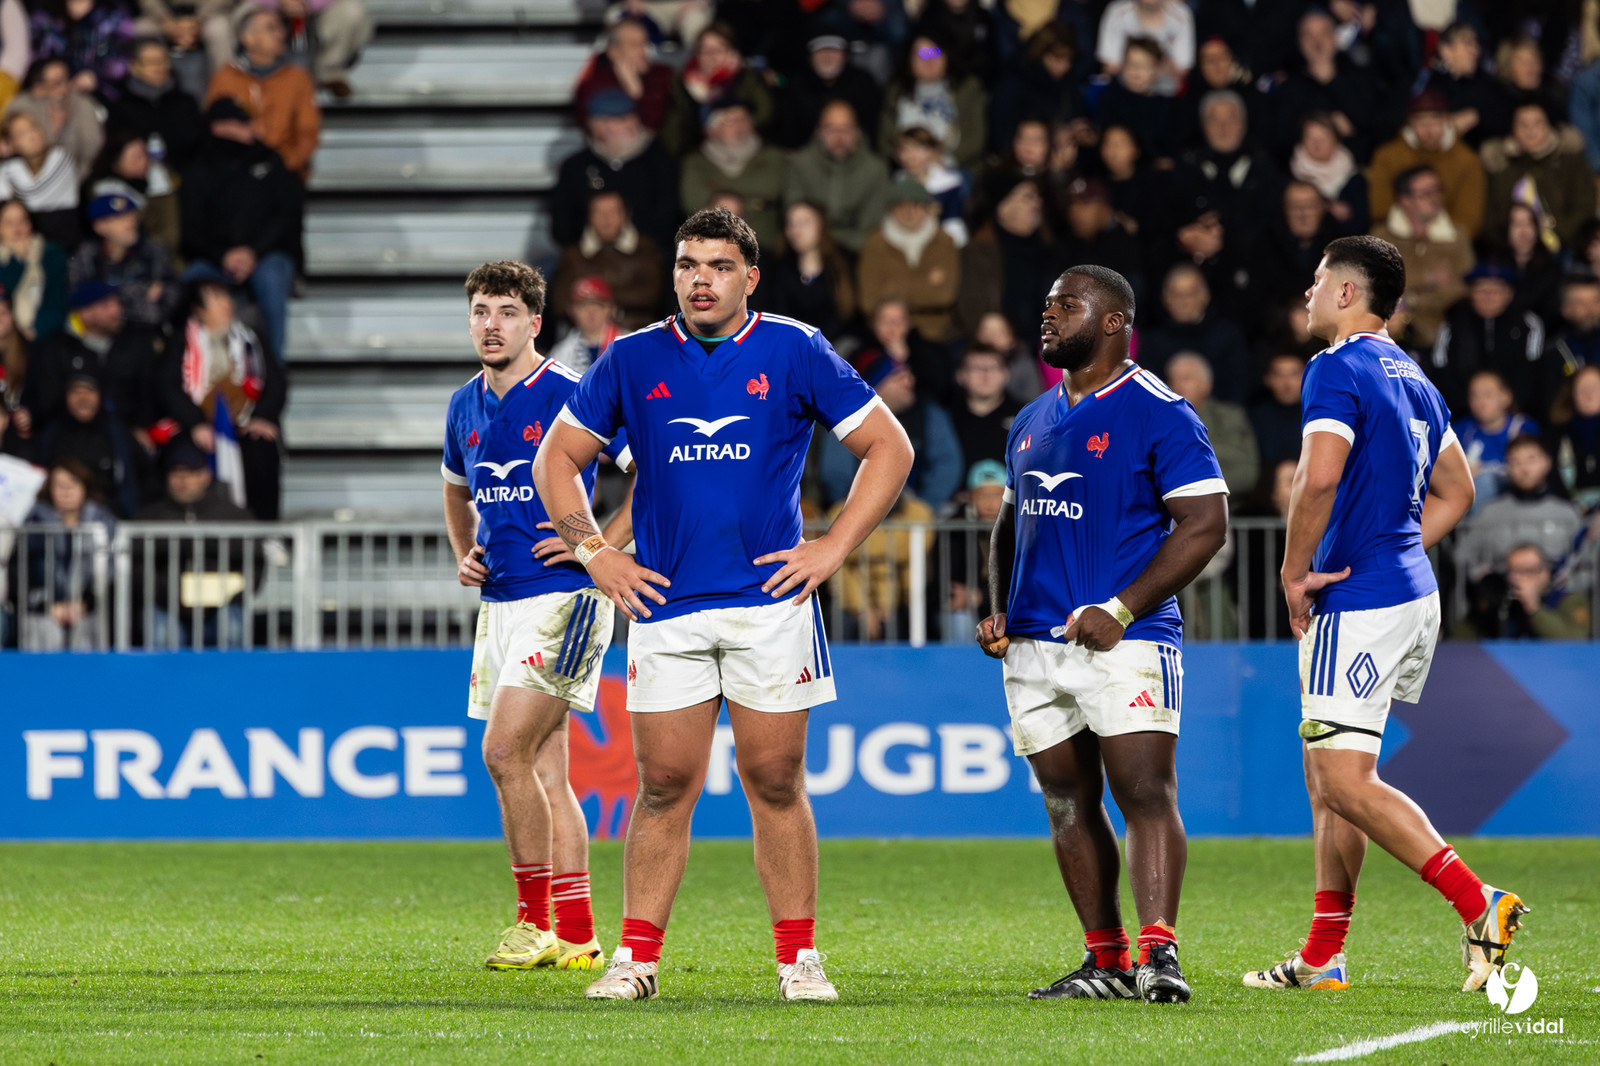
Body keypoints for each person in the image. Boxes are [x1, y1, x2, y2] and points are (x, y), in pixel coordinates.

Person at [533, 207, 913, 1002]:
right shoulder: (632, 357)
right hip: (665, 606)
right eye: (687, 265)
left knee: (774, 780)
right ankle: (637, 963)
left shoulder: (796, 347)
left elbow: (890, 447)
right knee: (663, 785)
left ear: (751, 277)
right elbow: (556, 460)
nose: (700, 279)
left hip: (769, 604)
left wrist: (834, 547)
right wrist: (597, 553)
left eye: (718, 265)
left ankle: (798, 961)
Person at [1242, 234, 1525, 996]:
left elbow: (1318, 477)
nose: (1307, 294)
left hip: (1359, 601)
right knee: (1329, 773)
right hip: (1407, 591)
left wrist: (1294, 572)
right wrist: (1395, 547)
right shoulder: (1416, 378)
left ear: (1346, 292)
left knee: (1342, 779)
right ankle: (1323, 955)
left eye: (1316, 280)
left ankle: (1480, 902)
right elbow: (1458, 491)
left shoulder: (1335, 367)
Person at [978, 264, 1227, 1003]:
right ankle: (1107, 960)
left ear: (1114, 322)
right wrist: (998, 608)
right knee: (1064, 800)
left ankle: (1159, 952)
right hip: (1034, 644)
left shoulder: (1162, 411)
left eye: (1067, 304)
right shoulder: (1031, 418)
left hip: (1129, 638)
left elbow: (1205, 524)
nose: (1048, 315)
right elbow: (1006, 527)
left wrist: (1120, 608)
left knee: (1143, 790)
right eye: (1047, 303)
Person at [442, 260, 633, 976]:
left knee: (503, 753)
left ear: (534, 323)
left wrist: (601, 546)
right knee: (547, 772)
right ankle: (577, 935)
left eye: (506, 312)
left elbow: (650, 472)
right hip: (501, 602)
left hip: (566, 597)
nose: (490, 325)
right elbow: (455, 488)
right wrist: (464, 552)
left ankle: (532, 922)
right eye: (480, 311)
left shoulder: (569, 393)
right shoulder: (463, 404)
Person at [153, 273, 284, 519]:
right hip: (194, 424)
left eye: (227, 297)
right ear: (198, 309)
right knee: (184, 455)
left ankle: (263, 528)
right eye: (216, 298)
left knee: (261, 448)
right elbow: (168, 386)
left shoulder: (250, 339)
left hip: (244, 423)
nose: (227, 304)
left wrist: (261, 416)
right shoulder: (180, 342)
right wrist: (195, 423)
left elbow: (275, 383)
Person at [178, 97, 299, 362]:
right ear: (219, 127)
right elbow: (192, 232)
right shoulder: (197, 171)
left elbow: (286, 216)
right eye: (242, 123)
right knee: (190, 282)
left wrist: (253, 252)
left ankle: (274, 367)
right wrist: (223, 255)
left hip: (266, 255)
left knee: (272, 277)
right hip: (214, 259)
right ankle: (192, 365)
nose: (251, 127)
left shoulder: (270, 161)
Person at [817, 351, 962, 510]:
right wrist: (856, 508)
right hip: (855, 508)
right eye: (899, 377)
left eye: (909, 375)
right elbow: (835, 473)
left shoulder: (928, 415)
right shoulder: (847, 417)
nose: (910, 381)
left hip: (918, 512)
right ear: (877, 384)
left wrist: (925, 507)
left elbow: (946, 466)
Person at [550, 90, 679, 254]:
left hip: (650, 256)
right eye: (607, 121)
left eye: (624, 119)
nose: (618, 129)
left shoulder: (658, 161)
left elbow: (669, 218)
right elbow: (562, 226)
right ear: (593, 126)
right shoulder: (576, 167)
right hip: (589, 256)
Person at [204, 6, 320, 182]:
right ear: (248, 38)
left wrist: (282, 164)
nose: (280, 34)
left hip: (283, 172)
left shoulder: (298, 78)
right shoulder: (225, 78)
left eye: (281, 28)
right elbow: (214, 128)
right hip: (235, 174)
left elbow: (308, 133)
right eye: (270, 28)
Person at [1425, 262, 1545, 418]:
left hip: (1516, 413)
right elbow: (1442, 371)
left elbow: (1532, 372)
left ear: (1509, 294)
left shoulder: (1527, 324)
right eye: (1481, 290)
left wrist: (1512, 409)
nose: (1488, 297)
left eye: (1496, 290)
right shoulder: (1453, 325)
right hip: (1462, 415)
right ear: (1470, 294)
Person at [1371, 165, 1473, 348]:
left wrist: (1412, 299)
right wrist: (1428, 280)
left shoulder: (1457, 238)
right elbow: (1377, 283)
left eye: (1438, 191)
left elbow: (1461, 287)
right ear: (1405, 200)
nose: (1435, 198)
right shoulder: (1382, 236)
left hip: (1441, 331)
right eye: (1426, 193)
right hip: (1389, 329)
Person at [19, 456, 114, 650]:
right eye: (59, 485)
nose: (66, 491)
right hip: (42, 609)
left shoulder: (103, 523)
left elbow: (110, 573)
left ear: (85, 487)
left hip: (88, 609)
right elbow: (21, 572)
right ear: (49, 489)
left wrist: (85, 604)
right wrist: (48, 606)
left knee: (87, 637)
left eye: (73, 484)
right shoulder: (33, 523)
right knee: (47, 635)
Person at [1367, 91, 1485, 240]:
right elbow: (1380, 209)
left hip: (1448, 241)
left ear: (1447, 120)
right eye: (1421, 121)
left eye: (1435, 120)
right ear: (1410, 123)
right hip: (1396, 237)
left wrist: (1437, 236)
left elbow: (1469, 220)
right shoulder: (1387, 157)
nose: (1429, 129)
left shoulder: (1467, 161)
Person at [856, 178, 961, 345]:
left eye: (916, 205)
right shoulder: (875, 244)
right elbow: (868, 301)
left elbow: (944, 296)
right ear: (891, 209)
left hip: (935, 332)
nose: (909, 212)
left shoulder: (945, 242)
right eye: (901, 206)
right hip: (885, 333)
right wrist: (926, 287)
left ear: (927, 208)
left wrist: (891, 288)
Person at [782, 99, 890, 257]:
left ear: (857, 132)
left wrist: (832, 240)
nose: (839, 136)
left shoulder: (875, 170)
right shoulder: (800, 165)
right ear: (818, 131)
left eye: (846, 129)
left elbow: (871, 230)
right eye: (831, 129)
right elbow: (795, 219)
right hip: (807, 250)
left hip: (857, 253)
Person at [547, 189, 662, 334]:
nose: (606, 218)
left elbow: (652, 295)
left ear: (626, 214)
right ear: (589, 216)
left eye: (612, 211)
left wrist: (596, 296)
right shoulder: (574, 256)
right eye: (599, 212)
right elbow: (560, 304)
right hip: (586, 335)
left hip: (637, 331)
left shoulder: (645, 249)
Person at [31, 369, 144, 516]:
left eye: (89, 391)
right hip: (57, 517)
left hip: (112, 515)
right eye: (75, 391)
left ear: (100, 395)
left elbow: (140, 479)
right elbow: (37, 477)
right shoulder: (51, 434)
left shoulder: (118, 433)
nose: (83, 398)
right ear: (66, 397)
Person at [1481, 102, 1594, 249]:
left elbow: (1585, 206)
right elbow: (1490, 215)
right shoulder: (1500, 166)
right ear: (1512, 129)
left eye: (1537, 123)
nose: (1530, 130)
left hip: (1565, 245)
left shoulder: (1569, 160)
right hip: (1510, 250)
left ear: (1549, 126)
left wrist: (1558, 233)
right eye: (1523, 124)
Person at [679, 98, 784, 253]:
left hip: (761, 243)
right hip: (710, 245)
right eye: (730, 120)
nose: (739, 125)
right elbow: (691, 201)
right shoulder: (696, 161)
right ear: (711, 129)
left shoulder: (770, 155)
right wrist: (755, 203)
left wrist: (719, 196)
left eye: (744, 118)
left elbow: (771, 188)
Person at [1136, 263, 1250, 404]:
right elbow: (1145, 392)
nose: (1184, 302)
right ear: (1165, 299)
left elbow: (1239, 387)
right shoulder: (1153, 342)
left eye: (1190, 294)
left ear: (1205, 296)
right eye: (1176, 295)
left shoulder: (1228, 336)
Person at [748, 200, 854, 345]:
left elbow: (846, 319)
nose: (796, 230)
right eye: (790, 224)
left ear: (821, 225)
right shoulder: (779, 269)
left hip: (837, 348)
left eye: (804, 223)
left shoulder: (842, 266)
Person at [68, 190, 177, 330]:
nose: (130, 222)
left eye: (131, 215)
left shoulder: (152, 250)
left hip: (147, 332)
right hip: (100, 333)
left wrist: (110, 299)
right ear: (99, 226)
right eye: (120, 218)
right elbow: (81, 302)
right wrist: (141, 293)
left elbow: (169, 297)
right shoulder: (87, 255)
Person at [878, 30, 986, 169]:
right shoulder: (896, 93)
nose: (929, 60)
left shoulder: (967, 89)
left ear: (947, 56)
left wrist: (944, 162)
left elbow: (976, 140)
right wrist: (906, 161)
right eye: (922, 54)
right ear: (909, 60)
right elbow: (885, 142)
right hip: (906, 168)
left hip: (955, 167)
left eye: (935, 52)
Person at [1165, 350, 1258, 496]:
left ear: (1206, 385)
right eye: (1172, 380)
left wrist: (1202, 489)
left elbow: (1247, 473)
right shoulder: (1160, 422)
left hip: (1226, 503)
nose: (1177, 386)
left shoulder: (1230, 418)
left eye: (1186, 378)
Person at [106, 34, 204, 171]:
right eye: (151, 62)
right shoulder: (121, 109)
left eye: (163, 60)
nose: (159, 67)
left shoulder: (186, 102)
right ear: (134, 66)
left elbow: (201, 149)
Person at [245, 0, 374, 97]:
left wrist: (308, 3)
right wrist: (279, 2)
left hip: (319, 13)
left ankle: (328, 73)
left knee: (351, 11)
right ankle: (252, 73)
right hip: (264, 9)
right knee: (246, 10)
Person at [777, 32, 882, 150]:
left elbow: (874, 132)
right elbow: (789, 135)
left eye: (834, 50)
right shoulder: (797, 86)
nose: (827, 57)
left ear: (845, 55)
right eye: (820, 51)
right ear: (810, 57)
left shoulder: (863, 84)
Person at [1452, 368, 1539, 507]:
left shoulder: (1522, 428)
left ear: (1506, 397)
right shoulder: (1462, 430)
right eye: (1474, 396)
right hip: (1471, 501)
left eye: (1487, 395)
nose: (1481, 402)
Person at [0, 110, 80, 248]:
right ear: (11, 143)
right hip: (30, 243)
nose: (32, 135)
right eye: (22, 133)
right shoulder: (10, 167)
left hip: (65, 240)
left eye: (33, 128)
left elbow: (34, 196)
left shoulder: (60, 156)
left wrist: (7, 159)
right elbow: (3, 202)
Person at [1288, 113, 1368, 235]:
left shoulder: (1354, 179)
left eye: (1323, 137)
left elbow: (1361, 226)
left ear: (1336, 140)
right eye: (1310, 137)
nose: (1316, 143)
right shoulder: (1291, 175)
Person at [0, 198, 68, 341]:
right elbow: (5, 294)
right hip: (7, 335)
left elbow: (57, 300)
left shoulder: (51, 254)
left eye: (23, 221)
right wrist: (17, 261)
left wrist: (36, 330)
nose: (17, 228)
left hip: (45, 333)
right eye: (9, 223)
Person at [946, 344, 1020, 469]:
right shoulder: (945, 419)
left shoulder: (1026, 416)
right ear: (960, 376)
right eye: (976, 369)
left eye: (993, 368)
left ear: (1006, 374)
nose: (986, 376)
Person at [1095, 0, 1193, 91]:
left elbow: (1182, 69)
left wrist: (1149, 71)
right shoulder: (1118, 11)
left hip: (1163, 88)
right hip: (1123, 86)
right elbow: (1111, 66)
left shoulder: (1180, 15)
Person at [1548, 363, 1600, 509]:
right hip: (1568, 508)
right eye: (1582, 389)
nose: (1589, 394)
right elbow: (1551, 478)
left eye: (1595, 388)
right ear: (1571, 394)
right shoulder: (1556, 434)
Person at [546, 275, 618, 377]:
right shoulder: (561, 353)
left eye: (598, 305)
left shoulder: (628, 343)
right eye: (583, 306)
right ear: (571, 310)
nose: (591, 312)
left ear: (610, 308)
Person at [1249, 353, 1306, 470]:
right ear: (1268, 379)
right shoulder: (1255, 417)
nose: (1287, 383)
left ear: (1307, 377)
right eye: (1279, 375)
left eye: (1293, 374)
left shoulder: (1321, 415)